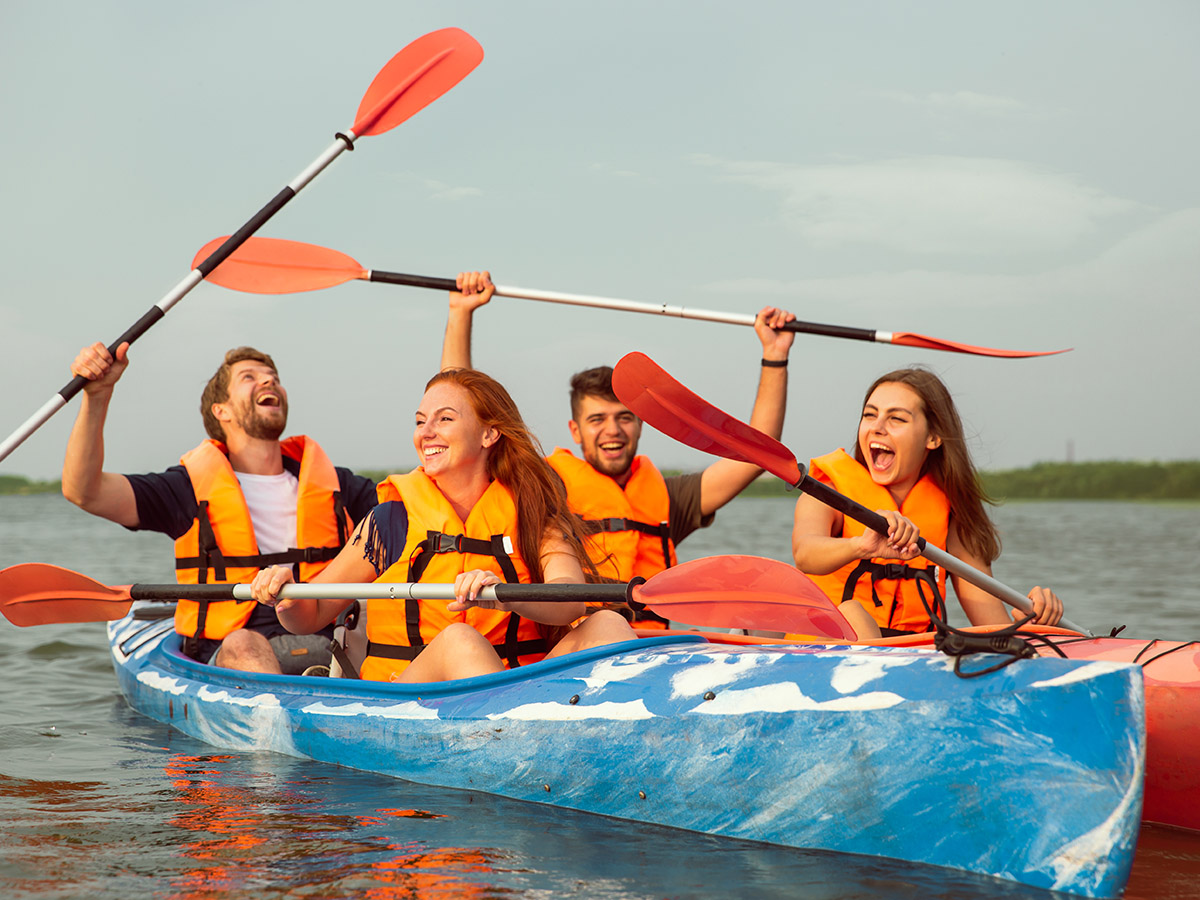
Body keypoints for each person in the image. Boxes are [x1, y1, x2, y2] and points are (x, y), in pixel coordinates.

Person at [439, 271, 798, 626]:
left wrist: (774, 354)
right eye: (597, 420)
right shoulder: (546, 484)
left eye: (624, 417)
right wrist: (461, 313)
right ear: (575, 431)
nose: (613, 430)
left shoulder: (669, 497)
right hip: (586, 649)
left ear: (641, 423)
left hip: (657, 651)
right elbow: (464, 415)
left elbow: (756, 454)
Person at [249, 367, 638, 683]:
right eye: (420, 421)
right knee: (460, 641)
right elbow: (310, 614)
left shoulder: (533, 513)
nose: (426, 432)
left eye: (444, 419)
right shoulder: (391, 521)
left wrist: (504, 593)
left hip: (517, 690)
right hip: (409, 697)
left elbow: (567, 597)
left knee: (606, 623)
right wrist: (284, 594)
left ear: (489, 433)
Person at [62, 342, 378, 673]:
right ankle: (279, 718)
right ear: (221, 410)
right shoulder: (186, 488)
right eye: (249, 377)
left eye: (273, 376)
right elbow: (85, 491)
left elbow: (417, 507)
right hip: (234, 652)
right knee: (243, 643)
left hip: (332, 642)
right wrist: (96, 396)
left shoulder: (339, 486)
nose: (269, 381)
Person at [791, 367, 1064, 636]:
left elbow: (993, 624)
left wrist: (1033, 623)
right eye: (869, 415)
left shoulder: (951, 513)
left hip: (913, 655)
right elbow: (805, 553)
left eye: (896, 419)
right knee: (852, 613)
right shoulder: (828, 492)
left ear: (933, 437)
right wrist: (861, 546)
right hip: (832, 643)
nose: (877, 427)